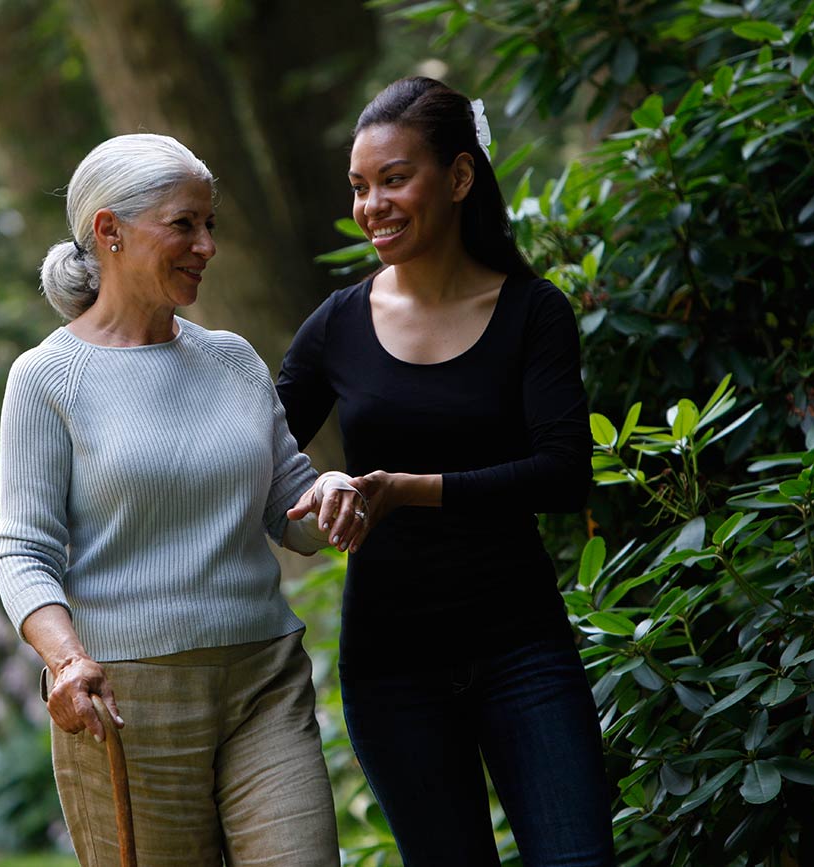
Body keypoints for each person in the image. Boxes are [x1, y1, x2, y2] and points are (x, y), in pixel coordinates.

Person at [0, 133, 368, 867]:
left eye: (210, 224)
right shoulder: (46, 378)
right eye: (183, 224)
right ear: (109, 231)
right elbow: (23, 550)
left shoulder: (231, 358)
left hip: (263, 678)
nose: (207, 245)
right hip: (126, 702)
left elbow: (287, 506)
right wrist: (65, 661)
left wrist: (327, 493)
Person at [276, 77, 615, 866]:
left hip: (522, 651)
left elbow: (562, 475)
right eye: (360, 187)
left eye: (394, 178)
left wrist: (410, 490)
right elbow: (257, 451)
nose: (372, 205)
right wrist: (323, 484)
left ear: (459, 178)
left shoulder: (533, 313)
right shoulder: (336, 325)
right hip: (391, 669)